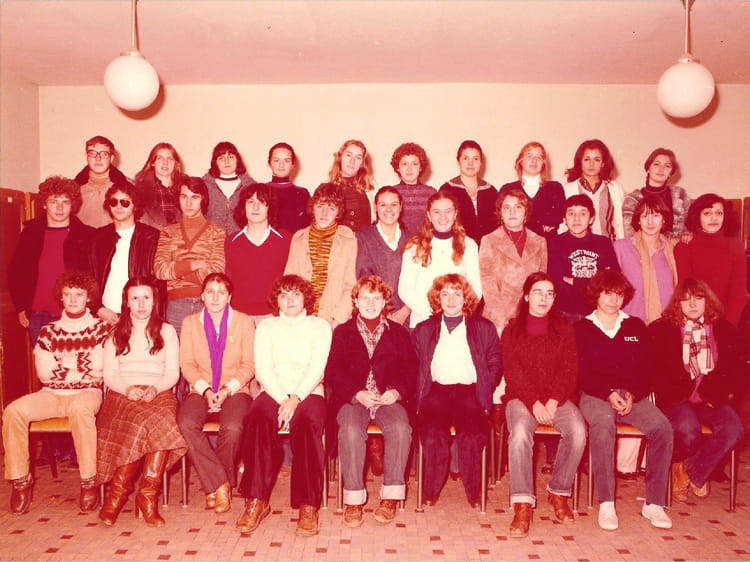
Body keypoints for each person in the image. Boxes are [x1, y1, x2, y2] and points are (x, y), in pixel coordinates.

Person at [2, 270, 110, 515]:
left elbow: (99, 367)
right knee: (13, 411)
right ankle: (20, 481)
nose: (73, 300)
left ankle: (89, 481)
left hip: (87, 393)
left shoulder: (101, 329)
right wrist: (81, 364)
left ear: (89, 298)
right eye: (67, 294)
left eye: (79, 294)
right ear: (61, 298)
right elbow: (45, 373)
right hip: (51, 394)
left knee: (79, 409)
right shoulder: (48, 331)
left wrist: (63, 363)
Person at [576, 269, 673, 531]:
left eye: (619, 294)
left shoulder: (635, 326)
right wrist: (607, 393)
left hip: (631, 395)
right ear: (596, 294)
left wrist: (633, 393)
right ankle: (606, 502)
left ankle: (654, 503)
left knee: (662, 428)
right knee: (603, 426)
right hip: (595, 394)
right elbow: (581, 373)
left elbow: (648, 369)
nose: (613, 300)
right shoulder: (581, 328)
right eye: (608, 293)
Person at [236, 275, 331, 537]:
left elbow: (318, 368)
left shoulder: (320, 326)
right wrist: (283, 400)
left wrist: (296, 398)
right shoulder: (266, 327)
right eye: (284, 295)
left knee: (309, 423)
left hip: (309, 391)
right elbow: (263, 369)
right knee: (256, 419)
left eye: (296, 294)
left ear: (305, 299)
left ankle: (308, 506)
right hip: (273, 391)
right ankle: (257, 500)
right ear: (276, 300)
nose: (290, 300)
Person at [325, 276, 417, 527]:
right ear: (355, 301)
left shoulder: (399, 333)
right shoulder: (342, 332)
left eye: (376, 298)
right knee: (350, 430)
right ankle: (354, 500)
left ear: (385, 301)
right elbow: (333, 371)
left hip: (388, 399)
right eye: (365, 298)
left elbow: (411, 370)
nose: (370, 303)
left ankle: (390, 497)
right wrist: (356, 393)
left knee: (400, 428)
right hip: (354, 399)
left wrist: (397, 392)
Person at [96, 276, 187, 527]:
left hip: (159, 391)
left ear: (154, 301)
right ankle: (118, 494)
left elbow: (172, 373)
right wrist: (128, 389)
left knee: (163, 420)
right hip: (122, 393)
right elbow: (110, 375)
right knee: (138, 420)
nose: (141, 304)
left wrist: (155, 389)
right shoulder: (115, 333)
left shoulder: (167, 331)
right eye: (135, 298)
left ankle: (147, 496)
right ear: (126, 302)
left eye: (146, 297)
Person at [502, 272, 585, 538]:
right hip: (521, 398)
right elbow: (513, 373)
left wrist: (553, 400)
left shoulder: (565, 328)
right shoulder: (511, 330)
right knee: (519, 434)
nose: (544, 298)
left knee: (578, 431)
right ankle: (522, 503)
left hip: (557, 399)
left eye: (549, 293)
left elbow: (570, 369)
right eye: (538, 292)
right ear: (527, 296)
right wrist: (534, 402)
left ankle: (558, 491)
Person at [650, 278, 745, 502]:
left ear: (707, 301)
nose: (692, 304)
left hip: (710, 398)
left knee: (734, 429)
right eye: (686, 300)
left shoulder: (723, 329)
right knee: (687, 428)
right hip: (675, 398)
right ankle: (681, 464)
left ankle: (692, 470)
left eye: (698, 298)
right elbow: (652, 372)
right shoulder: (660, 329)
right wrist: (670, 392)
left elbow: (737, 370)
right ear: (677, 304)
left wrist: (719, 394)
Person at [412, 274, 501, 508]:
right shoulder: (424, 329)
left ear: (466, 298)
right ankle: (430, 490)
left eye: (457, 294)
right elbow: (414, 365)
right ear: (437, 298)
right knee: (432, 433)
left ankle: (474, 492)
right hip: (436, 391)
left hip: (469, 391)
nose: (451, 300)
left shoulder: (483, 327)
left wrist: (484, 387)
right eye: (445, 294)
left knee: (472, 434)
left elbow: (494, 362)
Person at [178, 273, 255, 514]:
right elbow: (187, 363)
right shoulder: (191, 323)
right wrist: (205, 390)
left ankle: (214, 486)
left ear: (229, 297)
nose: (215, 297)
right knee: (186, 422)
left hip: (236, 389)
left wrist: (226, 390)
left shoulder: (244, 322)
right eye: (210, 292)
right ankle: (221, 484)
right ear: (202, 296)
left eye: (221, 292)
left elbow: (249, 364)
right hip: (200, 387)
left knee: (232, 427)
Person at [9, 175, 94, 345]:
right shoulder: (30, 233)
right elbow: (16, 271)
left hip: (74, 313)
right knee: (43, 362)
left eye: (65, 202)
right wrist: (20, 307)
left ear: (73, 205)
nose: (59, 207)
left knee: (74, 361)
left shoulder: (86, 235)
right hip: (37, 314)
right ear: (44, 204)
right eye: (54, 201)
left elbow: (93, 276)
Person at [153, 176, 226, 338]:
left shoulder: (217, 232)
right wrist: (194, 264)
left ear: (203, 200)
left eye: (195, 197)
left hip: (207, 303)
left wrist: (177, 271)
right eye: (184, 197)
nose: (188, 203)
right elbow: (160, 270)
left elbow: (216, 272)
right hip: (175, 306)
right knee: (177, 352)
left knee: (206, 352)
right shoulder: (168, 232)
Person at [399, 191, 482, 329]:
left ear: (455, 214)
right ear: (429, 215)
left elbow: (475, 289)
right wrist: (433, 315)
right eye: (437, 212)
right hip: (423, 322)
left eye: (448, 211)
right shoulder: (415, 245)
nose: (443, 217)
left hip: (458, 323)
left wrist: (455, 315)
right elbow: (405, 289)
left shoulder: (469, 245)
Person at [284, 183, 356, 329]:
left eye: (331, 208)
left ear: (338, 212)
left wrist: (336, 321)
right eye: (320, 206)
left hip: (334, 319)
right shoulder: (298, 238)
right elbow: (288, 282)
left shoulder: (349, 240)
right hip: (301, 318)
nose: (324, 213)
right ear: (312, 207)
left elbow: (351, 285)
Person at [89, 182, 161, 325]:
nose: (119, 206)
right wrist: (97, 308)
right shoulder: (98, 238)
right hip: (105, 315)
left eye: (125, 202)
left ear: (135, 205)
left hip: (140, 316)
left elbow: (158, 282)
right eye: (113, 202)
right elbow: (89, 277)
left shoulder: (152, 238)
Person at [479, 187, 547, 338]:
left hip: (530, 314)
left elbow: (541, 283)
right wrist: (500, 321)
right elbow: (487, 283)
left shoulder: (540, 241)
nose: (512, 212)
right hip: (498, 317)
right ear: (500, 213)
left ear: (526, 212)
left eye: (518, 207)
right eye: (507, 208)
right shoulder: (489, 240)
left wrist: (535, 315)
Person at [674, 193, 747, 326]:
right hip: (695, 320)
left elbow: (738, 292)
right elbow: (688, 292)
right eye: (707, 213)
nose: (714, 218)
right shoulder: (684, 247)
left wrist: (727, 325)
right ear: (697, 216)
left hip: (729, 321)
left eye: (719, 213)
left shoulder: (736, 246)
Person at [225, 183, 292, 323]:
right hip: (240, 316)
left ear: (270, 207)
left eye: (261, 202)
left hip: (275, 316)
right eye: (250, 202)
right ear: (243, 206)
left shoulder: (286, 239)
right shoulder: (231, 241)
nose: (255, 207)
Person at [548, 195, 619, 322]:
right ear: (564, 219)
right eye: (571, 214)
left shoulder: (603, 243)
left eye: (582, 214)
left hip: (597, 311)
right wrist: (595, 281)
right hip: (566, 311)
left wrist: (572, 281)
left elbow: (612, 279)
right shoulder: (555, 243)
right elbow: (556, 279)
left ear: (591, 219)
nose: (576, 218)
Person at [614, 195, 678, 324]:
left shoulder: (673, 249)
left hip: (666, 323)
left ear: (664, 220)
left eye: (656, 215)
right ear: (638, 220)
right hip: (630, 322)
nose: (650, 222)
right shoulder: (621, 247)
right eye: (644, 216)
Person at [356, 186, 411, 325]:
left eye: (394, 204)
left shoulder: (413, 239)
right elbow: (364, 277)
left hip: (408, 315)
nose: (389, 209)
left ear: (401, 207)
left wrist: (405, 311)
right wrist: (384, 313)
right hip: (375, 313)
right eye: (383, 205)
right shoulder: (363, 237)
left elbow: (419, 280)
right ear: (375, 207)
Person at [498, 141, 565, 240]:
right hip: (515, 243)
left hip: (547, 245)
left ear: (543, 163)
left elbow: (559, 218)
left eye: (539, 157)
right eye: (529, 156)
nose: (534, 160)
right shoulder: (508, 189)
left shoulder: (555, 188)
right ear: (521, 161)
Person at [561, 139, 625, 240]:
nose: (591, 164)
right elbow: (563, 226)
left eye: (597, 160)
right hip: (578, 247)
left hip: (609, 246)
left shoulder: (615, 189)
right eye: (587, 159)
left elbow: (620, 224)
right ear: (580, 162)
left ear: (603, 163)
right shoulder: (567, 190)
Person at [622, 148, 690, 238]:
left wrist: (686, 235)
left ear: (671, 173)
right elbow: (629, 233)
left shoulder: (680, 195)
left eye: (667, 166)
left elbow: (689, 226)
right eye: (656, 164)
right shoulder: (633, 199)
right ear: (648, 168)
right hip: (644, 245)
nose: (661, 169)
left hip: (677, 244)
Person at [439, 140, 498, 243]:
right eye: (465, 158)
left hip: (488, 247)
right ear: (458, 161)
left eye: (475, 159)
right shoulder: (447, 190)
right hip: (457, 246)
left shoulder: (491, 191)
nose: (470, 163)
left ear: (481, 163)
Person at [74, 135, 131, 228]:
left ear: (111, 158)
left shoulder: (128, 187)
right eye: (92, 153)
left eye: (104, 154)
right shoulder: (73, 189)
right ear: (87, 157)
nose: (98, 158)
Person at [202, 141, 256, 233]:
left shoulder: (250, 186)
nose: (226, 161)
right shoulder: (204, 185)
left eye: (231, 157)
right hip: (210, 238)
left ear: (237, 160)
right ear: (215, 162)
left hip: (240, 238)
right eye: (221, 158)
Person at [386, 142, 436, 233]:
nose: (409, 169)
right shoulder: (391, 193)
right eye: (404, 164)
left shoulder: (431, 193)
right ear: (398, 167)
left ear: (420, 167)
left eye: (414, 164)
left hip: (424, 239)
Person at [133, 142, 185, 229]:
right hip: (151, 236)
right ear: (152, 162)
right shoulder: (139, 190)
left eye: (170, 159)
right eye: (160, 158)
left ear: (176, 163)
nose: (165, 163)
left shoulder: (185, 188)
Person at [328, 139, 375, 232]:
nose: (352, 161)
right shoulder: (327, 188)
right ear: (340, 157)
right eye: (348, 155)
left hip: (364, 239)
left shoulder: (371, 188)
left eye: (358, 157)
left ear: (362, 163)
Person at [266, 142, 310, 232]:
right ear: (269, 163)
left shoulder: (302, 194)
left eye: (286, 161)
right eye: (276, 160)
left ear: (292, 165)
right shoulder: (260, 191)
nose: (281, 165)